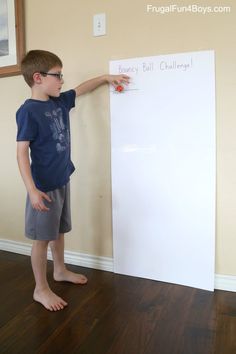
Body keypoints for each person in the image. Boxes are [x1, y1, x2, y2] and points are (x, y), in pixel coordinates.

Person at [16, 49, 129, 312]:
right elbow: (21, 153)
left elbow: (81, 89)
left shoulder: (58, 101)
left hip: (62, 179)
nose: (62, 80)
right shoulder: (28, 112)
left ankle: (60, 270)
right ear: (38, 77)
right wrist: (32, 190)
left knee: (58, 231)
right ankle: (40, 289)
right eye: (57, 75)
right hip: (43, 188)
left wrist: (104, 77)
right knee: (41, 239)